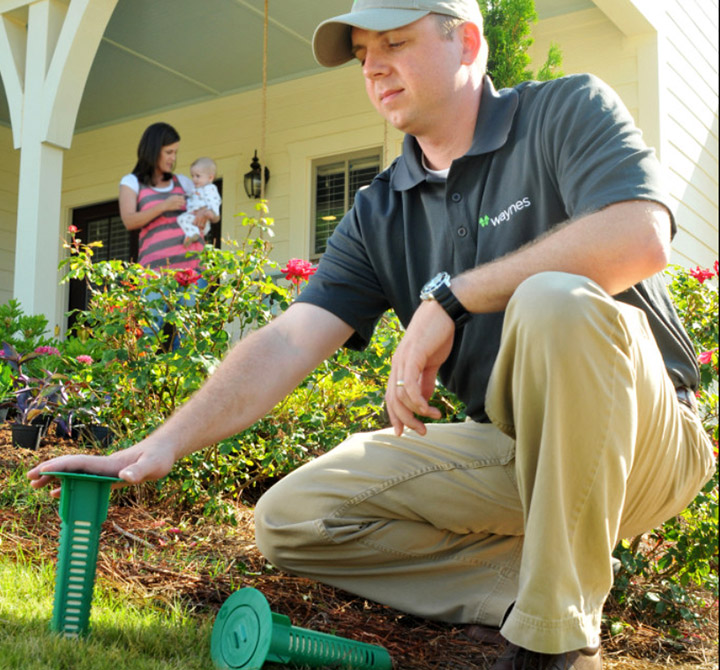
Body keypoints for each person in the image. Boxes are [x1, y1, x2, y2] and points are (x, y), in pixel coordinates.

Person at [29, 2, 714, 668]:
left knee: (553, 298)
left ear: (467, 42)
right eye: (363, 55)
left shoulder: (565, 110)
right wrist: (159, 444)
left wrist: (452, 298)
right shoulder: (380, 208)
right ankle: (528, 592)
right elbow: (288, 342)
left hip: (644, 440)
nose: (374, 69)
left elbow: (641, 234)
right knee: (292, 516)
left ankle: (554, 644)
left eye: (396, 44)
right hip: (514, 451)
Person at [118, 122, 218, 270]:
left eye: (175, 152)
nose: (173, 158)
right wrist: (164, 206)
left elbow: (208, 204)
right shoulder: (132, 182)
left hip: (193, 270)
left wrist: (204, 213)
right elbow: (129, 221)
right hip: (156, 275)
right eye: (169, 152)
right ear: (154, 151)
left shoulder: (183, 182)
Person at [176, 157, 222, 248]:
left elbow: (215, 201)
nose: (194, 179)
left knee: (182, 219)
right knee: (181, 218)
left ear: (210, 177)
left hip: (202, 220)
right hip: (193, 217)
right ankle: (192, 234)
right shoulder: (195, 189)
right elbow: (189, 197)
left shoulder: (210, 188)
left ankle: (193, 233)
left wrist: (211, 212)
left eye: (198, 176)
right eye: (192, 176)